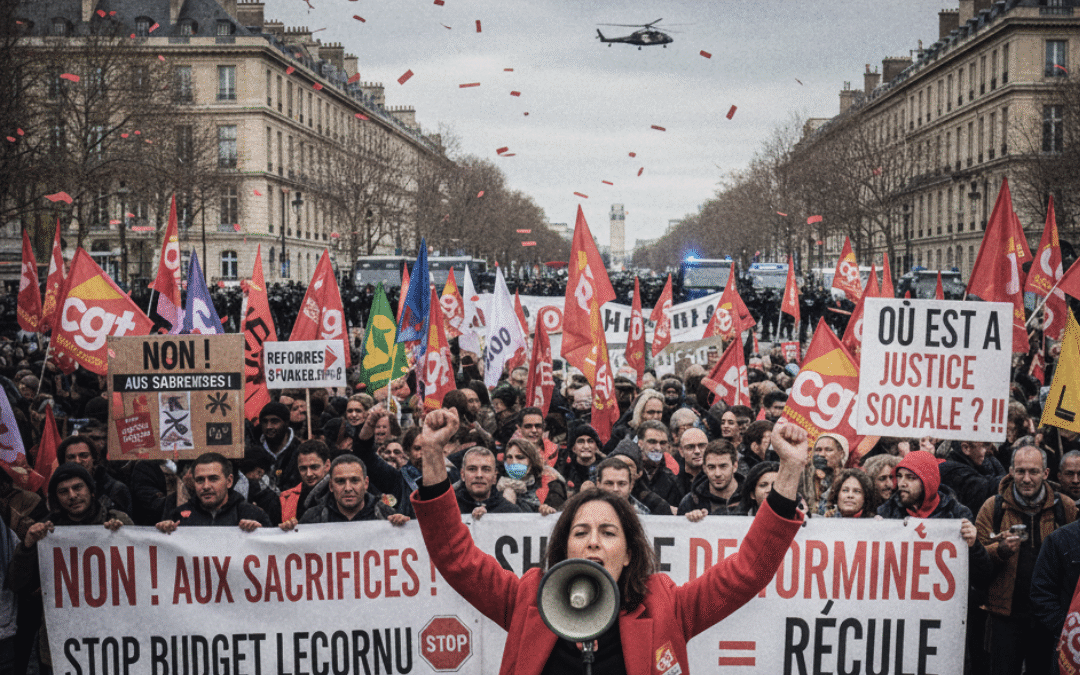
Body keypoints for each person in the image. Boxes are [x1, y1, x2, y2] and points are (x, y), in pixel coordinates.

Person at [411, 407, 807, 675]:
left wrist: (790, 470)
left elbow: (749, 570)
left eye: (608, 532)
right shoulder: (529, 598)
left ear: (629, 552)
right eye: (581, 533)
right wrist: (431, 453)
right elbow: (455, 556)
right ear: (565, 548)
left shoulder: (665, 604)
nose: (593, 543)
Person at [8, 463, 132, 674]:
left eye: (78, 488)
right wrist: (28, 546)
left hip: (112, 637)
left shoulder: (117, 521)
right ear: (56, 498)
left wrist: (123, 536)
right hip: (63, 643)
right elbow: (16, 583)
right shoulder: (46, 532)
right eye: (63, 491)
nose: (72, 495)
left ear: (91, 490)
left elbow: (142, 573)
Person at [975, 446, 1076, 675]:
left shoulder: (1066, 508)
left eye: (1034, 471)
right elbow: (976, 561)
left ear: (1046, 473)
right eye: (1020, 472)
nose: (1027, 479)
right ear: (1010, 471)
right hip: (1005, 617)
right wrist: (999, 550)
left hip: (1050, 619)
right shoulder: (993, 508)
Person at [156, 453, 271, 532]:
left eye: (213, 479)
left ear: (229, 481)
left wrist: (259, 533)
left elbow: (271, 556)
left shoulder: (253, 515)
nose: (206, 486)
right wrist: (163, 534)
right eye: (200, 480)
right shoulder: (178, 517)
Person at [290, 455, 410, 525]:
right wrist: (289, 534)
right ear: (331, 486)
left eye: (354, 480)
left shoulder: (387, 516)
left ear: (366, 483)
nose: (348, 488)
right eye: (340, 481)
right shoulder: (312, 518)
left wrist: (405, 528)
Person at [57, 433, 132, 515]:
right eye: (71, 457)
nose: (77, 461)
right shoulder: (56, 490)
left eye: (84, 456)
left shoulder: (115, 489)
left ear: (93, 458)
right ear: (63, 461)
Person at [497, 438, 565, 515]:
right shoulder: (497, 486)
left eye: (520, 457)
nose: (514, 462)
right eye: (509, 457)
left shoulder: (550, 486)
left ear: (531, 462)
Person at [940, 439, 1008, 516]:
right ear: (966, 448)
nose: (990, 450)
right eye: (986, 445)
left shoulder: (977, 463)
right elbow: (982, 486)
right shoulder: (955, 472)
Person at [678, 439, 742, 519]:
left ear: (735, 466)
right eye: (711, 467)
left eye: (723, 466)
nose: (717, 474)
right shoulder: (690, 502)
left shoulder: (750, 497)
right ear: (704, 468)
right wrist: (692, 521)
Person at [456, 446, 522, 518]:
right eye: (472, 469)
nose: (479, 475)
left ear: (494, 477)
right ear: (462, 474)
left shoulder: (511, 511)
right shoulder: (448, 509)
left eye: (486, 470)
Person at [254, 401, 303, 490]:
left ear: (286, 423)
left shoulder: (300, 450)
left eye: (274, 421)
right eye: (265, 422)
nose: (269, 426)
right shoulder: (255, 451)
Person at [280, 440, 331, 522]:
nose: (308, 474)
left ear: (327, 465)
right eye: (303, 468)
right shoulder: (286, 498)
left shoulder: (340, 494)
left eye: (314, 467)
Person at [635, 420, 683, 508]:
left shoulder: (672, 480)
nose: (658, 447)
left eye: (662, 443)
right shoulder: (630, 473)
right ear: (640, 443)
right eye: (652, 442)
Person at [561, 424, 603, 495]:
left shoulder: (605, 469)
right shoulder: (565, 471)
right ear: (573, 448)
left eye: (590, 441)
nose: (586, 446)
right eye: (580, 441)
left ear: (596, 447)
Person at [676, 427, 708, 497]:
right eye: (690, 447)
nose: (697, 451)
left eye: (702, 446)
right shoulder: (672, 481)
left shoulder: (716, 477)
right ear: (681, 451)